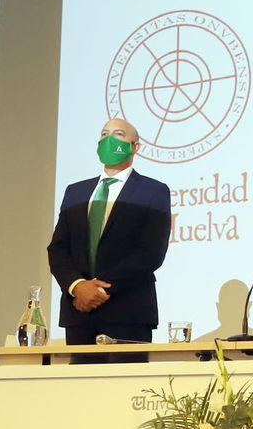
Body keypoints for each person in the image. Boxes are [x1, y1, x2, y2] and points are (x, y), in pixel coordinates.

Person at [47, 118, 173, 350]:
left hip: (128, 311)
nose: (109, 139)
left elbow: (151, 252)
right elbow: (58, 249)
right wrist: (77, 286)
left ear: (135, 146)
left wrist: (98, 289)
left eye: (118, 134)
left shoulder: (154, 191)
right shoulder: (75, 192)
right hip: (78, 313)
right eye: (104, 134)